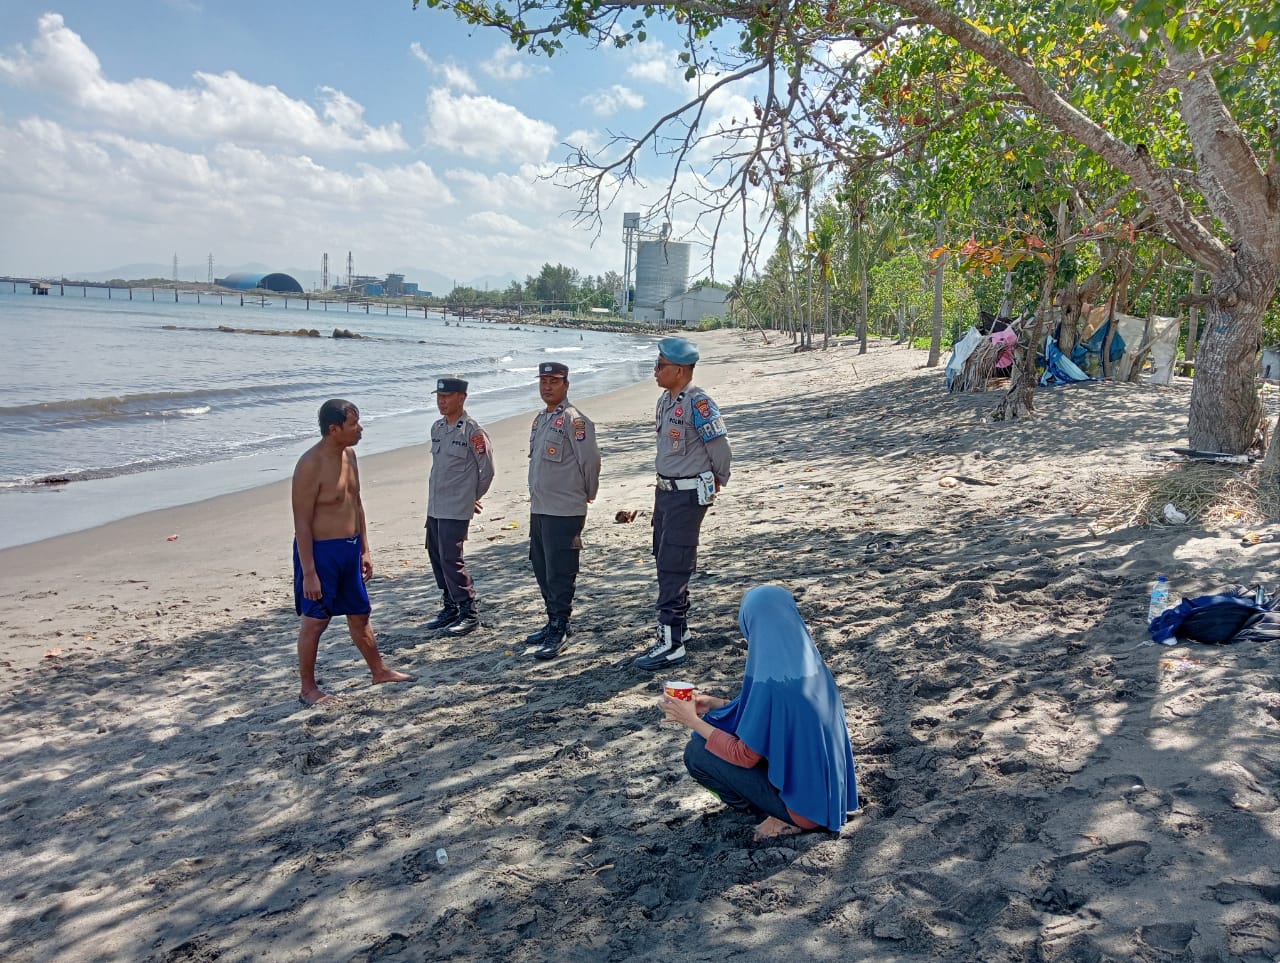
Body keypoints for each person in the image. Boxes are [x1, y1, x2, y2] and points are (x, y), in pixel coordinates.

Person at [659, 585, 859, 841]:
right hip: (831, 796)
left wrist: (692, 720)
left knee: (697, 751)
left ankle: (777, 816)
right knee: (711, 737)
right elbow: (769, 717)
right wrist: (713, 704)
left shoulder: (771, 683)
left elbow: (744, 756)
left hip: (806, 811)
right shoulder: (809, 666)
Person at [292, 399, 412, 705]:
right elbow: (302, 525)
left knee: (360, 614)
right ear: (334, 429)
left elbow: (356, 503)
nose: (360, 429)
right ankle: (308, 688)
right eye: (353, 424)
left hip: (349, 549)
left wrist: (364, 549)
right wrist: (309, 573)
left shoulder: (350, 455)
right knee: (315, 621)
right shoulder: (310, 465)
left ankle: (379, 670)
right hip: (321, 554)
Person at [633, 336, 732, 671]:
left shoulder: (698, 403)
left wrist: (717, 479)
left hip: (687, 494)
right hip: (665, 492)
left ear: (679, 370)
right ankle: (681, 629)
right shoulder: (665, 400)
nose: (655, 370)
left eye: (661, 366)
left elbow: (720, 449)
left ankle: (671, 643)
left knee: (674, 562)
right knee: (663, 554)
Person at [525, 362, 602, 659]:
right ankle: (551, 620)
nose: (547, 386)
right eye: (543, 381)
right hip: (541, 507)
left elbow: (591, 462)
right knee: (541, 566)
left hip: (565, 508)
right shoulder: (540, 420)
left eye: (553, 381)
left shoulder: (575, 421)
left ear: (566, 385)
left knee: (560, 570)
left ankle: (560, 625)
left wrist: (587, 495)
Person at [424, 377, 495, 637]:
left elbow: (486, 470)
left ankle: (468, 611)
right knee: (435, 554)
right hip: (435, 505)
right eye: (439, 397)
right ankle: (450, 605)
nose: (442, 401)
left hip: (456, 507)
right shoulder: (438, 428)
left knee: (451, 558)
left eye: (447, 396)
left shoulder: (472, 432)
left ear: (462, 398)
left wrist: (471, 496)